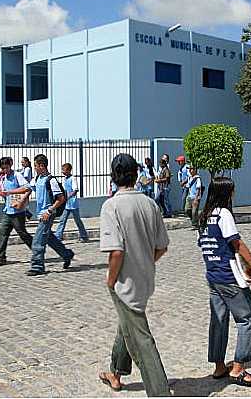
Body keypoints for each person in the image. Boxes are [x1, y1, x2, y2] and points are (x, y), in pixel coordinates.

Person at [98, 153, 171, 396]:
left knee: (141, 339)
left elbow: (116, 252)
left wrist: (110, 279)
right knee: (126, 323)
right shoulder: (150, 203)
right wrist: (144, 262)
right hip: (145, 278)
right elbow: (162, 246)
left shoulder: (112, 206)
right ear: (136, 174)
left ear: (113, 176)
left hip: (124, 280)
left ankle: (159, 392)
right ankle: (116, 372)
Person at [197, 177, 251, 387]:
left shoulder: (204, 216)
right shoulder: (224, 214)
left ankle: (219, 366)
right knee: (248, 319)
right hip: (228, 277)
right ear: (226, 193)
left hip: (213, 277)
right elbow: (236, 243)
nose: (234, 194)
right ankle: (238, 368)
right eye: (232, 191)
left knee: (219, 321)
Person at [28, 154, 74, 276]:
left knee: (38, 241)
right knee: (49, 238)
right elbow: (28, 188)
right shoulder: (37, 179)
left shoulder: (51, 180)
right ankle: (66, 254)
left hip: (47, 214)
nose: (35, 168)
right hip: (40, 214)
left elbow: (61, 198)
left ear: (41, 166)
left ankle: (37, 266)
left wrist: (49, 211)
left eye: (36, 166)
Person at [0, 157, 34, 266]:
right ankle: (1, 257)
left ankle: (37, 250)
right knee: (2, 232)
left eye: (6, 167)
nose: (5, 170)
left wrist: (21, 200)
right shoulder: (3, 178)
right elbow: (3, 191)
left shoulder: (17, 175)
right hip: (8, 210)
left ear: (10, 165)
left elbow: (28, 188)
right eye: (3, 168)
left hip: (18, 211)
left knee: (22, 233)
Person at [54, 163, 89, 243]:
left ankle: (84, 236)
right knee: (62, 220)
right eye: (62, 170)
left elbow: (75, 190)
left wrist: (67, 197)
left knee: (78, 221)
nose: (63, 172)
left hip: (73, 204)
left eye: (64, 170)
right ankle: (58, 236)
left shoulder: (73, 178)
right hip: (66, 204)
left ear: (69, 170)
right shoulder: (65, 179)